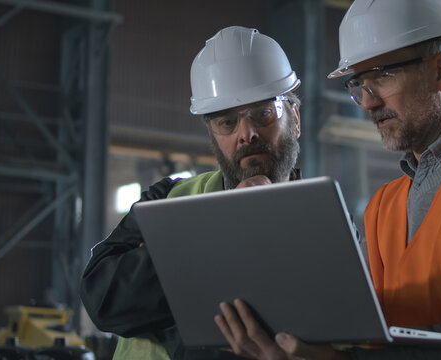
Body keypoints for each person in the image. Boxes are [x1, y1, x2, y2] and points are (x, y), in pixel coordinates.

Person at [215, 1, 441, 359]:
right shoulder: (384, 206)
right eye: (359, 82)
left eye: (382, 76)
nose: (367, 101)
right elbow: (353, 326)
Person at [80, 26, 302, 360]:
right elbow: (104, 300)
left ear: (295, 119)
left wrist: (169, 261)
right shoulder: (167, 199)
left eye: (263, 113)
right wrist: (222, 227)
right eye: (227, 122)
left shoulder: (327, 227)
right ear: (213, 135)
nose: (247, 134)